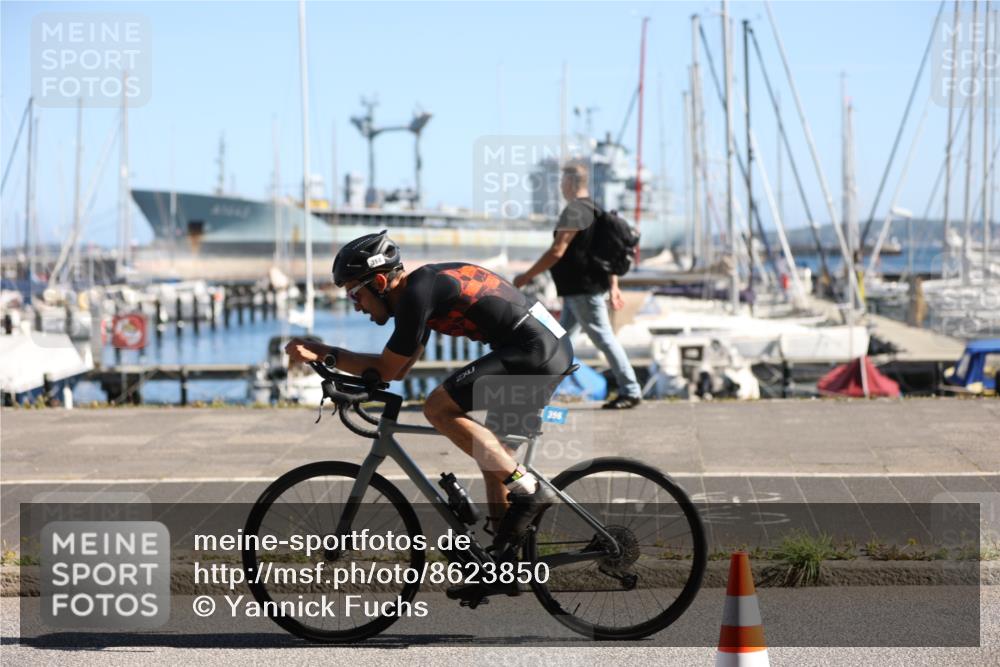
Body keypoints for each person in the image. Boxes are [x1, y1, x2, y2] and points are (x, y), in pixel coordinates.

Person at [284, 231, 573, 596]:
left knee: (437, 407)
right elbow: (399, 370)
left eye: (355, 293)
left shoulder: (419, 292)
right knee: (493, 454)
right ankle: (501, 561)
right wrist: (333, 362)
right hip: (546, 346)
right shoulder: (421, 293)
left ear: (380, 281)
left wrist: (324, 351)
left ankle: (529, 490)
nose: (355, 305)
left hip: (534, 350)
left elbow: (388, 370)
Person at [513, 162, 642, 409]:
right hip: (579, 289)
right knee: (560, 340)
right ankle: (540, 394)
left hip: (583, 289)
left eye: (562, 181)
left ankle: (631, 390)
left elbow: (557, 250)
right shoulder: (594, 209)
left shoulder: (575, 210)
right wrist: (614, 286)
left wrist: (527, 276)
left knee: (603, 339)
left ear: (571, 183)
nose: (560, 186)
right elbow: (606, 252)